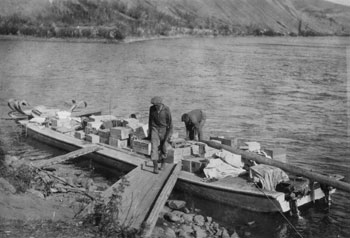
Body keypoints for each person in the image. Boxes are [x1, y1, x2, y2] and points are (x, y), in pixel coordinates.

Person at [148, 96, 173, 174]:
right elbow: (150, 120)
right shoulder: (151, 109)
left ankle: (163, 162)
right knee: (154, 147)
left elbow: (170, 124)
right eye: (154, 105)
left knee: (164, 147)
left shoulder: (167, 110)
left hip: (164, 129)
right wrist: (149, 132)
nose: (155, 107)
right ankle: (155, 167)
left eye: (156, 105)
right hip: (154, 129)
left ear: (161, 104)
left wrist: (168, 136)